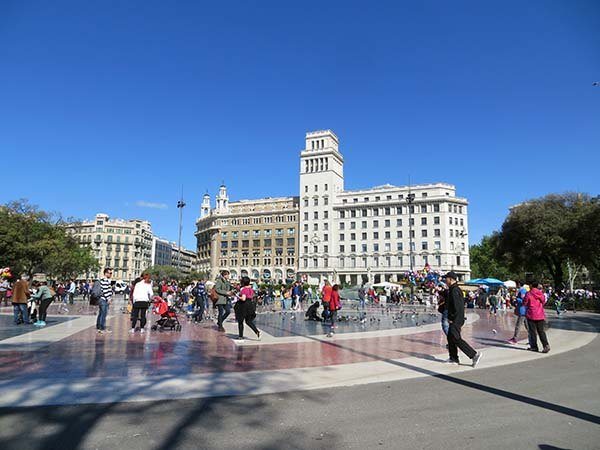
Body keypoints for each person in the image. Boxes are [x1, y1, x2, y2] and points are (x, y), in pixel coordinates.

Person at [444, 271, 482, 367]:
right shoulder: (453, 289)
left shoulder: (455, 290)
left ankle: (474, 355)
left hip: (456, 319)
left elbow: (457, 307)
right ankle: (454, 358)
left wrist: (453, 318)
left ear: (451, 279)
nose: (445, 280)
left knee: (456, 338)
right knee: (450, 337)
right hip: (456, 318)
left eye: (446, 278)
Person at [524, 282, 550, 353]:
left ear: (531, 285)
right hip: (540, 315)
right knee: (541, 331)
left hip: (531, 314)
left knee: (532, 332)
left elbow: (525, 303)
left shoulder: (528, 293)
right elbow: (543, 301)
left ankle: (534, 347)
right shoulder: (540, 293)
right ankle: (546, 345)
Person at [233, 276, 260, 341]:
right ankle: (256, 331)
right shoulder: (251, 289)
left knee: (240, 321)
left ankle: (240, 336)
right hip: (250, 305)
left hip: (243, 306)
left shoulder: (244, 289)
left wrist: (237, 296)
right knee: (248, 321)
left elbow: (243, 298)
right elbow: (252, 296)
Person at [96, 268, 113, 334]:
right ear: (106, 273)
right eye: (110, 273)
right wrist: (108, 298)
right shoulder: (104, 280)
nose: (111, 274)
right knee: (103, 314)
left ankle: (98, 327)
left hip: (101, 299)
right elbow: (105, 290)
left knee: (101, 313)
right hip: (104, 300)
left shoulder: (103, 280)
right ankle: (101, 328)